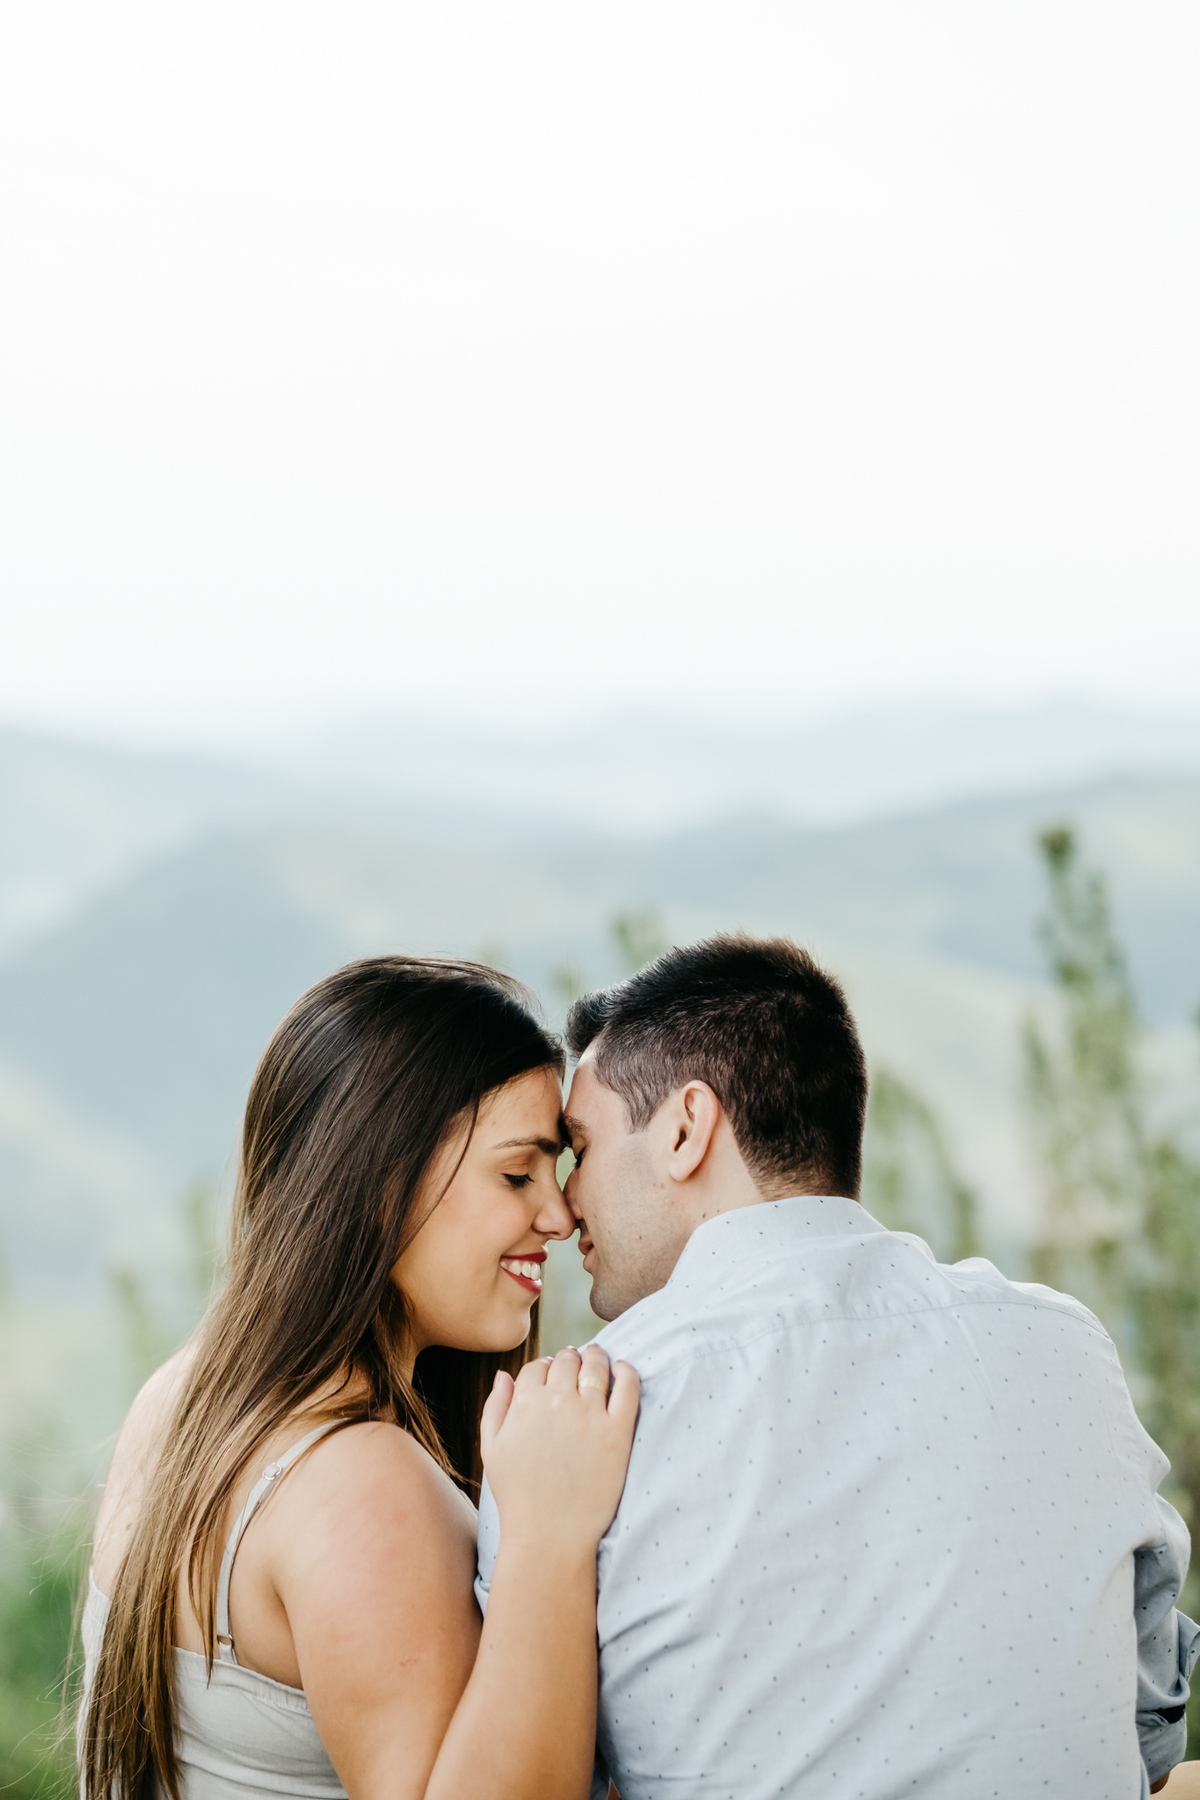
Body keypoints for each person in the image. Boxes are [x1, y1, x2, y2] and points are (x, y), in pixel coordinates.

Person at [477, 932, 1199, 1798]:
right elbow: (1147, 1724)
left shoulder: (574, 1422)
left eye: (581, 1148)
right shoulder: (1063, 1346)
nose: (565, 1205)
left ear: (686, 1130)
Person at [80, 956, 638, 1800]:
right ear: (379, 1182)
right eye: (517, 1174)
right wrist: (547, 1542)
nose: (560, 1216)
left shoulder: (181, 1397)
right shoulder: (360, 1485)